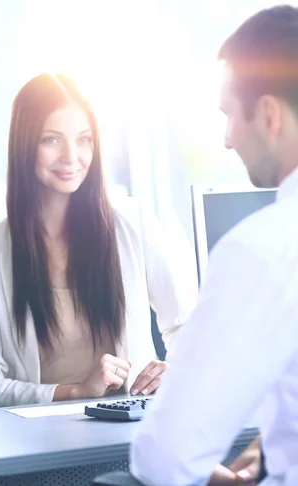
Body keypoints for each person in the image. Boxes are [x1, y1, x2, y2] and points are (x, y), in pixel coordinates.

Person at [130, 5, 298, 485]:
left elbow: (166, 460)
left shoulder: (263, 249)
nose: (226, 140)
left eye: (229, 115)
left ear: (268, 115)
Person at [0, 73, 198, 410]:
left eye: (84, 139)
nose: (72, 156)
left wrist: (175, 371)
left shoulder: (133, 224)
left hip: (131, 429)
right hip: (35, 445)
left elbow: (187, 323)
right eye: (52, 140)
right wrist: (76, 390)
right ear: (24, 144)